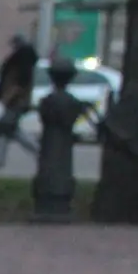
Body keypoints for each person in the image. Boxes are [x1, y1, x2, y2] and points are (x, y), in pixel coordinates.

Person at [32, 56, 82, 220]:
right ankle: (58, 197)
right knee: (59, 167)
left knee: (50, 167)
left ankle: (48, 197)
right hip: (62, 147)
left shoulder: (47, 101)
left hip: (49, 145)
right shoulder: (71, 102)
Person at [0, 32, 39, 168]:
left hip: (16, 101)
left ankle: (37, 150)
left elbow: (18, 85)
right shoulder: (24, 61)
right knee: (7, 129)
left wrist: (7, 97)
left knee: (7, 127)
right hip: (16, 100)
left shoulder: (21, 62)